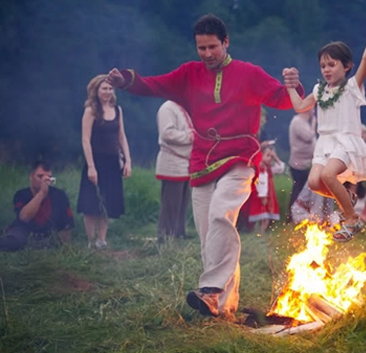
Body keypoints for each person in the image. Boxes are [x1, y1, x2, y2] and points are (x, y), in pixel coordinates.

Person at [105, 14, 303, 320]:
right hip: (201, 161)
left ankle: (210, 290)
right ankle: (224, 309)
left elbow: (283, 99)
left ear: (226, 42)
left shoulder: (247, 73)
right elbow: (155, 85)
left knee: (220, 215)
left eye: (212, 46)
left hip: (240, 157)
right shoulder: (188, 74)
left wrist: (293, 86)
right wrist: (127, 81)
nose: (207, 53)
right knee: (210, 236)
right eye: (201, 48)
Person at [286, 26, 366, 242]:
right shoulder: (320, 90)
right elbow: (300, 106)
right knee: (314, 183)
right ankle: (349, 198)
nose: (326, 70)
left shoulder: (352, 87)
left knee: (328, 175)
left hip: (345, 141)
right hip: (324, 143)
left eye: (332, 64)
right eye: (323, 66)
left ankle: (351, 218)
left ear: (346, 66)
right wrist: (290, 86)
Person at [77, 74, 131, 250]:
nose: (107, 92)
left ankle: (102, 239)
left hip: (112, 162)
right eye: (104, 88)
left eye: (110, 88)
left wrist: (128, 161)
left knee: (107, 201)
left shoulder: (118, 110)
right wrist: (91, 167)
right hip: (96, 161)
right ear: (96, 90)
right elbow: (85, 140)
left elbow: (121, 137)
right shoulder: (90, 111)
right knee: (91, 203)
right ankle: (90, 241)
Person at [0, 162, 74, 252]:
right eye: (40, 176)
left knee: (52, 244)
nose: (44, 180)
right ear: (31, 176)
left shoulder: (59, 195)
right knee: (10, 243)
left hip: (48, 234)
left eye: (48, 177)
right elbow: (24, 217)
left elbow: (67, 225)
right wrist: (41, 193)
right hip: (24, 231)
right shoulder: (21, 194)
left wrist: (65, 247)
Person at [155, 100, 194, 242]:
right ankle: (165, 236)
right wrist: (189, 136)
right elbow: (167, 133)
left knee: (182, 202)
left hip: (185, 162)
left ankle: (178, 233)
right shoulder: (167, 108)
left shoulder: (184, 107)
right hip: (172, 161)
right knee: (171, 202)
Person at [247, 140, 285, 233]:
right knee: (262, 218)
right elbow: (261, 184)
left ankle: (260, 233)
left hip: (267, 197)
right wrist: (263, 196)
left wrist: (275, 156)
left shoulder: (268, 168)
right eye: (268, 156)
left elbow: (281, 168)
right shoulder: (260, 169)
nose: (270, 159)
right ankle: (258, 234)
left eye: (271, 157)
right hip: (260, 197)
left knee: (265, 218)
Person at [287, 109, 317, 223]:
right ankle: (291, 216)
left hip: (306, 163)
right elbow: (309, 137)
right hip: (299, 164)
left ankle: (301, 214)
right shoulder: (297, 122)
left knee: (303, 191)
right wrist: (314, 122)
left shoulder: (303, 123)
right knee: (298, 190)